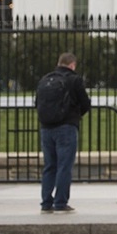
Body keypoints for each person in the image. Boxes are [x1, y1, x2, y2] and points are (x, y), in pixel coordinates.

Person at [38, 52, 92, 214]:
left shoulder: (45, 79)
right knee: (64, 166)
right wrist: (74, 116)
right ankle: (60, 202)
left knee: (49, 166)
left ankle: (46, 202)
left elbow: (37, 102)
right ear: (72, 65)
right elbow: (85, 103)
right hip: (66, 127)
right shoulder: (74, 79)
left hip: (46, 127)